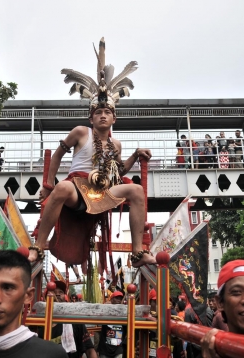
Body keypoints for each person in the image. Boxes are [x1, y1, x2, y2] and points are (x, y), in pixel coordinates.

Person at [29, 38, 155, 268]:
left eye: (107, 112)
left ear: (114, 118)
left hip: (103, 190)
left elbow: (119, 172)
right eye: (98, 112)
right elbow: (57, 156)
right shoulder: (80, 132)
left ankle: (137, 253)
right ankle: (37, 246)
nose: (103, 115)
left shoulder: (116, 144)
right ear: (91, 117)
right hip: (78, 187)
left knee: (136, 190)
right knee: (63, 188)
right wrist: (47, 186)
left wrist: (136, 155)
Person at [37, 280, 97, 358]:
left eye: (60, 292)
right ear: (45, 299)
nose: (57, 294)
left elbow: (90, 351)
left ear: (65, 298)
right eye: (54, 292)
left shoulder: (74, 321)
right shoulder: (37, 324)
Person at [98, 290, 126, 358]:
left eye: (120, 299)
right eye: (117, 298)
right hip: (105, 349)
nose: (119, 300)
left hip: (118, 349)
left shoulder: (124, 312)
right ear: (112, 299)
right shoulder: (106, 311)